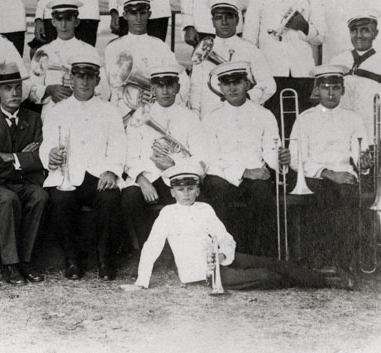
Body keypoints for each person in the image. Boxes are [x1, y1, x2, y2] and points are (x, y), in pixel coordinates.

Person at [121, 164, 354, 291]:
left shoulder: (205, 209)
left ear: (198, 190)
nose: (186, 194)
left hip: (223, 260)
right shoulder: (167, 214)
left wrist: (223, 252)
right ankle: (320, 282)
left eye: (191, 188)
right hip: (201, 273)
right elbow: (151, 248)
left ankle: (322, 279)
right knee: (267, 276)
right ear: (171, 192)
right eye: (180, 190)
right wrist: (141, 282)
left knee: (273, 262)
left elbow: (226, 237)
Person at [39, 47, 125, 280]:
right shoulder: (57, 110)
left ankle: (105, 260)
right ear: (71, 78)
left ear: (97, 80)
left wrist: (111, 171)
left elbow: (118, 145)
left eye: (90, 77)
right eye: (80, 76)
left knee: (110, 198)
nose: (84, 82)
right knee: (59, 200)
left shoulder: (110, 110)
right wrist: (51, 155)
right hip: (68, 174)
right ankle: (72, 259)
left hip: (98, 174)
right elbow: (46, 143)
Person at [200, 61, 287, 256]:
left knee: (263, 196)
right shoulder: (211, 118)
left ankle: (258, 256)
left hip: (255, 176)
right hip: (222, 176)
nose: (232, 88)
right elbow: (210, 159)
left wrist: (281, 160)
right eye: (226, 83)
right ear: (220, 88)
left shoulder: (264, 115)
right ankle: (224, 254)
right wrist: (244, 172)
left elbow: (271, 152)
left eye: (237, 82)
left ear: (247, 84)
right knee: (216, 191)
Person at [243, 0, 327, 137]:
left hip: (302, 71)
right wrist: (251, 75)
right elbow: (248, 41)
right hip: (271, 70)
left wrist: (303, 26)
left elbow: (322, 36)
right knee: (273, 124)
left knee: (302, 124)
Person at [0, 62, 48, 285]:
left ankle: (25, 260)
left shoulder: (33, 119)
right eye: (8, 88)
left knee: (40, 196)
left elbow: (40, 158)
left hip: (25, 182)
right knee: (8, 199)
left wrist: (10, 156)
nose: (15, 93)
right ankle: (10, 264)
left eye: (17, 87)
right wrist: (23, 159)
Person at [289, 64, 367, 270]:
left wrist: (364, 163)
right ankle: (318, 262)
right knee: (321, 198)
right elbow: (296, 159)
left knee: (347, 201)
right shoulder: (304, 119)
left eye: (335, 88)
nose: (330, 93)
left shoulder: (354, 118)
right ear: (317, 90)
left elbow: (360, 155)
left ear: (342, 89)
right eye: (325, 88)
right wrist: (328, 173)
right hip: (316, 177)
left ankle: (343, 264)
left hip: (345, 175)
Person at [122, 64, 207, 249]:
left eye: (170, 85)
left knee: (190, 200)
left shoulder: (190, 117)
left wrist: (174, 163)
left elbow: (201, 158)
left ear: (177, 88)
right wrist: (142, 182)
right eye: (160, 86)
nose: (165, 91)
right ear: (152, 89)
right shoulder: (139, 116)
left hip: (178, 177)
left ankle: (181, 250)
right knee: (130, 198)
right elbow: (128, 156)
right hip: (146, 178)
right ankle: (146, 250)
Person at [104, 0, 189, 121]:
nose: (138, 18)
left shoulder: (160, 46)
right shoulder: (113, 48)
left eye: (142, 13)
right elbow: (109, 86)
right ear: (125, 15)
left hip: (155, 111)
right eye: (133, 13)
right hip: (122, 111)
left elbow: (182, 78)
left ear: (149, 14)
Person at [188, 0, 275, 119]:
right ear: (212, 21)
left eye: (229, 16)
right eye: (218, 18)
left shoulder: (250, 49)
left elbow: (269, 84)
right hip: (210, 115)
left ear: (237, 20)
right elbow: (195, 88)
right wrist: (195, 115)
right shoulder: (202, 49)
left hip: (244, 114)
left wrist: (248, 97)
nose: (224, 22)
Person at [330, 9, 381, 150]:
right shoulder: (338, 60)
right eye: (354, 31)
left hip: (372, 127)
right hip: (344, 127)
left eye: (365, 30)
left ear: (375, 34)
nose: (359, 35)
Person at [28, 0, 109, 119]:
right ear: (53, 22)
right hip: (52, 114)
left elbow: (105, 90)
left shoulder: (89, 51)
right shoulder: (43, 52)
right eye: (59, 19)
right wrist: (49, 90)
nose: (63, 25)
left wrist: (82, 94)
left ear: (76, 21)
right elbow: (30, 91)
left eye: (68, 19)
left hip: (83, 113)